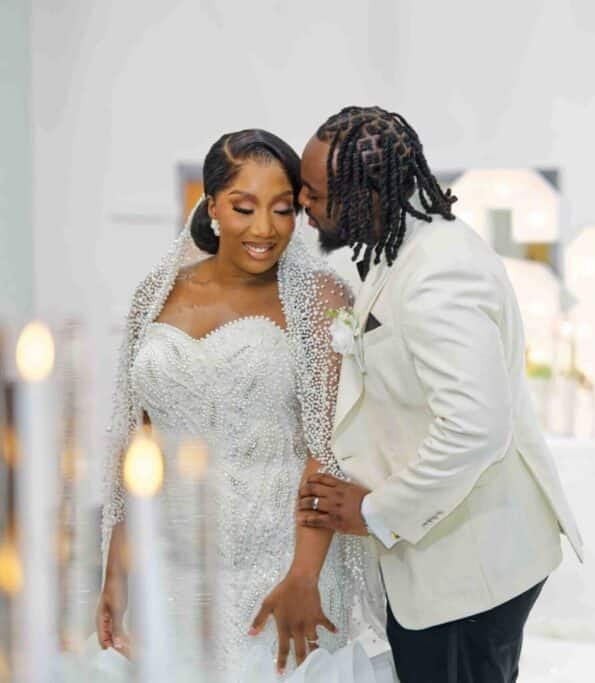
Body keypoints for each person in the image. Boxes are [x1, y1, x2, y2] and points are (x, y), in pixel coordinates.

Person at [287, 106, 584, 682]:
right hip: (446, 554)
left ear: (368, 196)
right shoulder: (398, 246)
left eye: (316, 192)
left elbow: (476, 428)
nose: (304, 202)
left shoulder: (440, 273)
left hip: (470, 564)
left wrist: (376, 510)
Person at [94, 129, 397, 682]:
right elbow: (137, 444)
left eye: (283, 210)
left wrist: (304, 574)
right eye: (243, 207)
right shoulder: (155, 296)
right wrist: (116, 573)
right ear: (210, 206)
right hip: (176, 563)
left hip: (282, 563)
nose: (264, 229)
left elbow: (326, 448)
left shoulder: (319, 299)